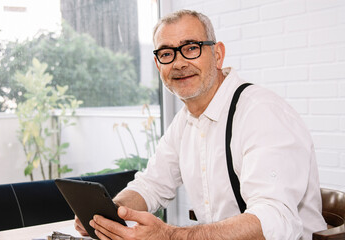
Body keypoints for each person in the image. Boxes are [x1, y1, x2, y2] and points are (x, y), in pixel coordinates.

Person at [75, 9, 327, 240]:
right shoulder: (184, 123)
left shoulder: (262, 113)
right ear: (158, 65)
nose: (179, 63)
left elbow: (275, 221)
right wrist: (110, 215)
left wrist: (170, 236)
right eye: (166, 53)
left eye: (191, 48)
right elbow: (151, 184)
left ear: (217, 54)